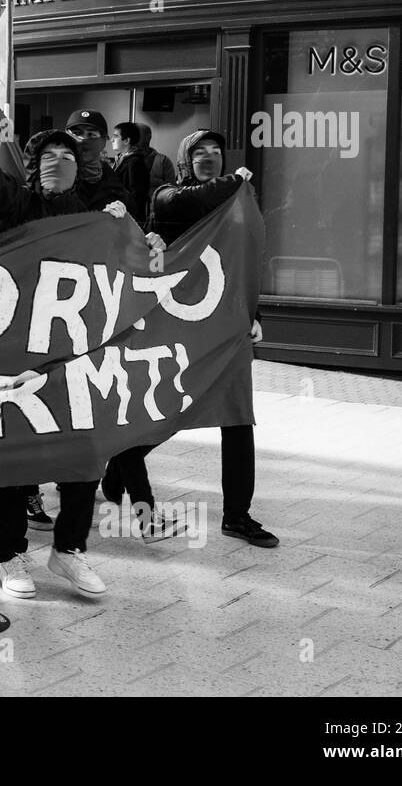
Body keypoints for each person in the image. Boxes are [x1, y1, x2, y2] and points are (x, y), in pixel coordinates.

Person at [0, 91, 131, 602]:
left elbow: (131, 268)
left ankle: (68, 549)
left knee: (85, 453)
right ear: (32, 167)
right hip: (17, 354)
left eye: (68, 157)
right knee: (12, 455)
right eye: (48, 157)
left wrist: (135, 234)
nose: (59, 164)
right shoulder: (16, 205)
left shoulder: (98, 212)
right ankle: (8, 555)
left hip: (75, 351)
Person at [103, 130, 279, 548]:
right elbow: (193, 201)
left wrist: (254, 313)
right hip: (173, 325)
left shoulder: (235, 205)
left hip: (224, 326)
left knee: (238, 420)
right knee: (157, 413)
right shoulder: (167, 195)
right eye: (199, 151)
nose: (210, 156)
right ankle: (117, 470)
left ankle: (237, 515)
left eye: (217, 151)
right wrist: (238, 180)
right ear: (185, 160)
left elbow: (244, 261)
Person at [111, 122, 156, 227]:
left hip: (128, 219)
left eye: (116, 136)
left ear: (126, 140)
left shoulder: (135, 162)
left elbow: (136, 197)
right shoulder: (122, 159)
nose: (112, 140)